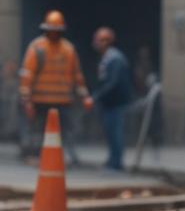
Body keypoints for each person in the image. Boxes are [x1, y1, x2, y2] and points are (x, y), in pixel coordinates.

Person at [18, 9, 92, 166]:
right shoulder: (37, 47)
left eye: (56, 31)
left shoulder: (68, 49)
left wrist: (84, 95)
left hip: (63, 100)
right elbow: (27, 76)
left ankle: (67, 157)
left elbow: (77, 75)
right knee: (39, 131)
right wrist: (27, 101)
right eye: (51, 31)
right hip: (40, 99)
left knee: (65, 130)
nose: (54, 34)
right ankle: (38, 156)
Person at [91, 27, 133, 171]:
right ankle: (112, 160)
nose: (96, 43)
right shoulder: (107, 58)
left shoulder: (115, 58)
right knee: (110, 132)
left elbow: (113, 83)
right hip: (109, 103)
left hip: (116, 102)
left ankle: (116, 163)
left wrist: (97, 96)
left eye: (99, 40)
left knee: (115, 132)